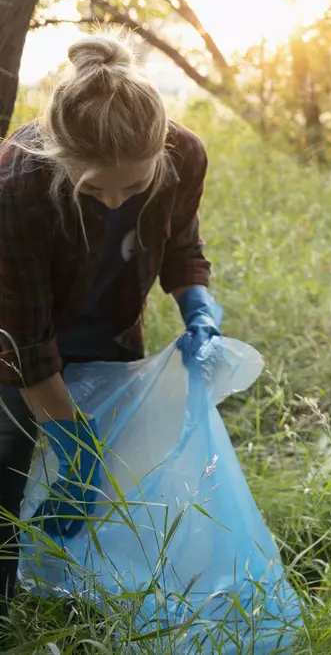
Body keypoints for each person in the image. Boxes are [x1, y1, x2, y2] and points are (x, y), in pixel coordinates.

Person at [0, 33, 222, 610]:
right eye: (94, 187)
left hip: (111, 337)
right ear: (59, 157)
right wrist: (73, 442)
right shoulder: (16, 181)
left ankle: (82, 598)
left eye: (136, 184)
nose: (118, 201)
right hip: (15, 348)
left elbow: (181, 243)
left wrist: (196, 300)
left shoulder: (185, 155)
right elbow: (22, 338)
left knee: (113, 485)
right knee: (8, 466)